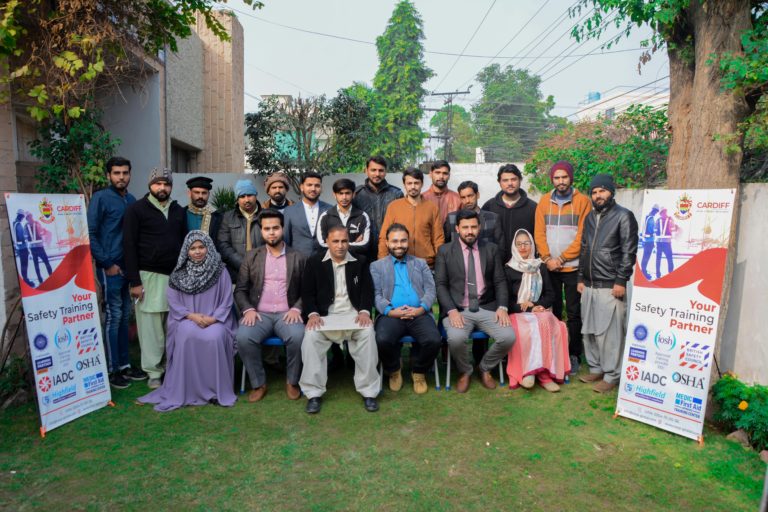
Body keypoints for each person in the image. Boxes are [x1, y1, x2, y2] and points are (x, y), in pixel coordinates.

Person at [138, 231, 237, 411]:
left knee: (215, 337)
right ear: (186, 251)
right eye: (192, 248)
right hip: (187, 319)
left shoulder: (220, 271)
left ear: (208, 248)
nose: (197, 251)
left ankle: (216, 391)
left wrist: (213, 318)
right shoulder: (178, 274)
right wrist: (192, 316)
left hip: (216, 320)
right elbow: (173, 301)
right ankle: (187, 389)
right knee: (186, 334)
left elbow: (226, 299)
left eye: (201, 247)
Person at [299, 225, 380, 414]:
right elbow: (307, 293)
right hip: (325, 316)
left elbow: (367, 290)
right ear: (327, 242)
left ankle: (369, 392)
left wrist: (364, 312)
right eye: (335, 241)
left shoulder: (360, 261)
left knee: (368, 333)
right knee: (311, 337)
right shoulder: (314, 262)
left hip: (354, 316)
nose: (340, 245)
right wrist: (313, 314)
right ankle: (313, 394)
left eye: (344, 241)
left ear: (349, 242)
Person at [435, 210, 516, 393]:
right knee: (456, 338)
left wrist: (502, 307)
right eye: (465, 227)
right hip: (458, 309)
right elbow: (440, 285)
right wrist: (451, 311)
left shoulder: (491, 249)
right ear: (457, 229)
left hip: (486, 307)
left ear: (480, 227)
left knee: (508, 337)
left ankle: (484, 367)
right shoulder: (445, 251)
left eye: (473, 227)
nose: (469, 231)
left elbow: (500, 281)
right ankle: (465, 371)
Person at [124, 168, 187, 389]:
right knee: (150, 328)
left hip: (175, 277)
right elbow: (129, 245)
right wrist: (134, 281)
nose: (162, 188)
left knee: (173, 325)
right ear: (150, 185)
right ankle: (153, 372)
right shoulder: (136, 210)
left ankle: (172, 367)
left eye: (166, 184)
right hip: (148, 276)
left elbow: (184, 244)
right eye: (158, 183)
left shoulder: (178, 210)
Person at [235, 210, 307, 402]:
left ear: (282, 228)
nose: (272, 232)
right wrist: (248, 309)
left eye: (276, 228)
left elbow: (308, 290)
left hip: (287, 314)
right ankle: (259, 383)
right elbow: (240, 289)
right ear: (261, 231)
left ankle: (292, 381)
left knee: (299, 336)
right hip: (259, 314)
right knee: (243, 337)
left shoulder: (298, 257)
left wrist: (297, 308)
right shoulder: (251, 257)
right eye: (267, 229)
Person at [88, 156, 145, 389]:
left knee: (124, 316)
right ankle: (113, 370)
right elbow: (90, 233)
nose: (121, 177)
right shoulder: (100, 198)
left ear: (130, 174)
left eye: (125, 173)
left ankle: (125, 365)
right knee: (113, 316)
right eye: (116, 173)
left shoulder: (131, 200)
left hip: (128, 268)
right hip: (110, 268)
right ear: (108, 175)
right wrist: (106, 263)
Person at [577, 174, 638, 393]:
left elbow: (629, 251)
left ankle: (612, 375)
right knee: (589, 331)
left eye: (602, 191)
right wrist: (580, 278)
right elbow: (584, 248)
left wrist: (621, 280)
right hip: (589, 285)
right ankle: (596, 368)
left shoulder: (624, 216)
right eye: (594, 192)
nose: (598, 195)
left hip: (611, 285)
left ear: (611, 192)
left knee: (610, 335)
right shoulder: (589, 218)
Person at [533, 160, 591, 374]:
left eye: (564, 177)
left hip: (573, 268)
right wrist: (548, 258)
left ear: (570, 178)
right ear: (552, 180)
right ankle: (555, 352)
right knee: (553, 311)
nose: (560, 181)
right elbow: (539, 233)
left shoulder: (583, 201)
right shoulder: (544, 201)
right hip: (549, 267)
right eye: (556, 178)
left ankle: (574, 354)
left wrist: (562, 258)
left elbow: (583, 236)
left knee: (574, 313)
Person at [371, 224, 441, 395]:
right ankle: (394, 369)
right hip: (391, 315)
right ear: (387, 243)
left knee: (434, 340)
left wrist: (421, 309)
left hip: (419, 314)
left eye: (403, 241)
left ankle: (419, 372)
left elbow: (431, 290)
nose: (399, 245)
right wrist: (391, 311)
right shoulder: (377, 266)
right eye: (394, 241)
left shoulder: (420, 263)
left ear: (408, 241)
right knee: (382, 340)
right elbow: (376, 295)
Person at [504, 229, 570, 392]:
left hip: (539, 310)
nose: (523, 247)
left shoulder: (540, 267)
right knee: (527, 330)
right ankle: (528, 373)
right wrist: (526, 307)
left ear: (532, 245)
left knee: (548, 323)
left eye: (526, 243)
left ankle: (544, 375)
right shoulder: (509, 269)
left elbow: (550, 294)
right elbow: (506, 300)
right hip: (517, 312)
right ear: (514, 246)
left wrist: (536, 305)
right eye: (519, 244)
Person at [378, 167, 444, 269]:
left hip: (426, 265)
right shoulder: (393, 207)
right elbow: (384, 237)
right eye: (409, 183)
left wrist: (440, 265)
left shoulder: (432, 208)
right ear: (404, 184)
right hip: (399, 264)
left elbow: (438, 239)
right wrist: (383, 263)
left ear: (422, 184)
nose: (413, 186)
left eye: (416, 183)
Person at [481, 164, 537, 263]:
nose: (510, 183)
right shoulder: (489, 206)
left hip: (524, 265)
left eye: (513, 179)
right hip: (495, 264)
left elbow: (538, 237)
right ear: (499, 182)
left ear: (520, 180)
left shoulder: (533, 207)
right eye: (505, 180)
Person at [353, 155, 403, 258]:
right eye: (373, 170)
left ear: (385, 172)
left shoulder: (396, 194)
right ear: (366, 171)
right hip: (363, 250)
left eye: (381, 170)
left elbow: (402, 223)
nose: (377, 174)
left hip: (390, 250)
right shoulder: (357, 194)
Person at [217, 178, 263, 281]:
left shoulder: (266, 216)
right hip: (236, 273)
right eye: (242, 196)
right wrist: (242, 264)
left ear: (256, 195)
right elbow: (223, 245)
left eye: (249, 195)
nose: (246, 200)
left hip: (261, 271)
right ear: (237, 199)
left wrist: (258, 266)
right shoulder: (228, 217)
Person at [317, 178, 372, 259]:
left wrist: (334, 244)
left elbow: (365, 245)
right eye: (340, 193)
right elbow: (321, 245)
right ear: (334, 195)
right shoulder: (325, 216)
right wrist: (354, 244)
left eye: (347, 193)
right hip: (332, 262)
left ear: (353, 194)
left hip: (356, 261)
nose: (344, 197)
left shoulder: (362, 216)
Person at [283, 171, 331, 256]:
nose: (313, 189)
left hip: (324, 259)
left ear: (321, 188)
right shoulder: (289, 211)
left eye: (317, 185)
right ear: (302, 187)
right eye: (309, 185)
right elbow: (286, 240)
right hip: (298, 259)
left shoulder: (329, 209)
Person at [443, 181, 503, 245]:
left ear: (477, 195)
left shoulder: (493, 218)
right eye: (463, 197)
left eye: (470, 196)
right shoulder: (451, 218)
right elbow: (446, 245)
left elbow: (500, 246)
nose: (467, 201)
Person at [422, 160, 461, 225]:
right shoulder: (422, 198)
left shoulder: (458, 199)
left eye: (445, 173)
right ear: (430, 174)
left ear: (449, 176)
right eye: (437, 173)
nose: (441, 177)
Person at [25, 212, 53, 285]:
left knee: (36, 265)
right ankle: (52, 278)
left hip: (32, 248)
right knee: (46, 262)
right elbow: (41, 232)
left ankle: (40, 280)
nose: (30, 218)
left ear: (26, 218)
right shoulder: (37, 223)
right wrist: (45, 232)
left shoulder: (26, 226)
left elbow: (25, 236)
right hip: (39, 247)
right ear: (31, 216)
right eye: (30, 217)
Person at [12, 210, 34, 287]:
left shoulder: (14, 223)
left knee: (23, 264)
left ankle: (25, 279)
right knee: (24, 265)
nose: (23, 218)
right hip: (23, 248)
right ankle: (26, 280)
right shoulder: (18, 224)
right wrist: (26, 238)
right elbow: (21, 237)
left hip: (19, 248)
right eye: (23, 217)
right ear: (21, 216)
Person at [655, 207, 676, 279]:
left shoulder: (658, 220)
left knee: (660, 259)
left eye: (664, 212)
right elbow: (673, 228)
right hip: (665, 242)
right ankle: (669, 274)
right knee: (668, 259)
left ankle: (659, 275)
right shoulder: (669, 219)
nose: (664, 214)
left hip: (661, 242)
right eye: (663, 212)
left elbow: (655, 230)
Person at [640, 204, 659, 280]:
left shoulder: (647, 217)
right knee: (646, 257)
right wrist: (656, 230)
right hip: (649, 241)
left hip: (645, 240)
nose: (656, 213)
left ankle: (643, 271)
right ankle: (644, 273)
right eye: (656, 212)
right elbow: (651, 230)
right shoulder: (651, 219)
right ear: (655, 211)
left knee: (645, 257)